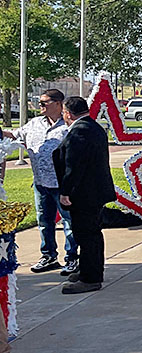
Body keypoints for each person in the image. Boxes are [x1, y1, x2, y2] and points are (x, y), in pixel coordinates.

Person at [2, 89, 78, 275]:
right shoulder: (35, 123)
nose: (40, 106)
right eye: (39, 102)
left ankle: (72, 258)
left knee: (69, 222)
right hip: (40, 183)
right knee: (44, 222)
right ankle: (48, 256)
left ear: (58, 104)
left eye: (44, 103)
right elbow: (15, 135)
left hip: (62, 184)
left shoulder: (68, 125)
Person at [53, 96, 116, 295]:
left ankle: (90, 278)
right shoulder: (94, 127)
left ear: (67, 113)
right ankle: (89, 269)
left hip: (84, 193)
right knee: (92, 233)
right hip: (94, 191)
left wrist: (66, 191)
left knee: (86, 235)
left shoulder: (79, 132)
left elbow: (74, 166)